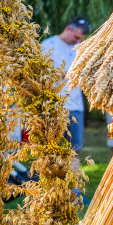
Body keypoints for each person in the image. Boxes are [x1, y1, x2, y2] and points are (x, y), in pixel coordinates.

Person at [42, 16, 90, 153]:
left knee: (74, 149)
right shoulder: (47, 45)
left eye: (81, 38)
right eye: (76, 37)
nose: (78, 41)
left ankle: (72, 175)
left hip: (75, 106)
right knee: (51, 150)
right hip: (53, 106)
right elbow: (39, 75)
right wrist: (64, 73)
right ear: (68, 29)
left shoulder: (79, 49)